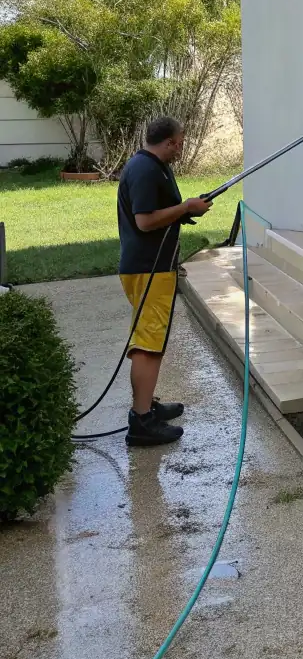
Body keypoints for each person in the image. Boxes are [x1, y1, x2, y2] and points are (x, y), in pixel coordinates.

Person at [117, 116, 212, 446]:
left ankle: (147, 405)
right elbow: (144, 222)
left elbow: (162, 212)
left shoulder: (153, 166)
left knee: (151, 339)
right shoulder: (144, 170)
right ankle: (141, 421)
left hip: (152, 267)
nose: (181, 148)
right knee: (148, 345)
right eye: (180, 143)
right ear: (169, 142)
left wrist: (186, 210)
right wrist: (185, 206)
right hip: (148, 268)